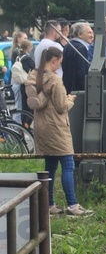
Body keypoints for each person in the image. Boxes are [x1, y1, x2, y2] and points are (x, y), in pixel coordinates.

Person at [25, 47, 94, 217]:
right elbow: (61, 106)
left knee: (50, 166)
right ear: (54, 59)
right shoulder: (55, 80)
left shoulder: (33, 76)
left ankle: (49, 205)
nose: (58, 67)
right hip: (56, 126)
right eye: (59, 63)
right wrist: (70, 99)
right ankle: (72, 205)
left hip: (42, 126)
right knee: (68, 165)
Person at [62, 22, 93, 93]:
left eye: (92, 33)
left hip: (67, 88)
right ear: (79, 34)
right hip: (79, 92)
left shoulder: (68, 46)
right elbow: (82, 73)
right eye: (89, 33)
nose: (92, 35)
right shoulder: (81, 48)